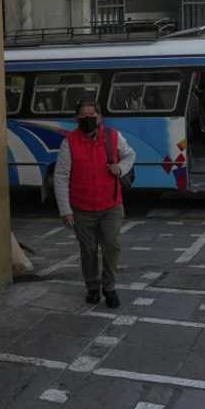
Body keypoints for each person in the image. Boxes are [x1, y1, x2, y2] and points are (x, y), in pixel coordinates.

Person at [54, 100, 137, 308]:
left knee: (112, 246)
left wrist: (120, 167)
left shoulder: (113, 137)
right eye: (83, 115)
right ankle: (92, 287)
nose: (88, 118)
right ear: (76, 119)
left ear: (100, 118)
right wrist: (65, 210)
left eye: (92, 114)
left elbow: (130, 154)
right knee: (88, 250)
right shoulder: (69, 142)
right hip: (81, 209)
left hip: (111, 206)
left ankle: (109, 287)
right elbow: (61, 177)